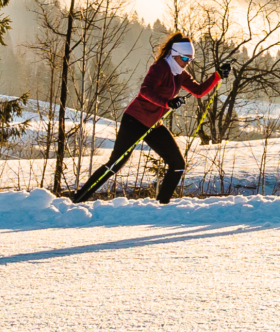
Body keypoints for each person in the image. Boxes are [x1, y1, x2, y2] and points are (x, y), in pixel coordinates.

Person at [72, 31, 230, 204]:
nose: (187, 64)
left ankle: (162, 205)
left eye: (190, 60)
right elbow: (145, 90)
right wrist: (168, 103)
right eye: (185, 59)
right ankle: (78, 200)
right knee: (114, 165)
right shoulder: (160, 68)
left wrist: (217, 76)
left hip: (154, 125)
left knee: (177, 165)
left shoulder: (180, 74)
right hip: (135, 120)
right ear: (174, 54)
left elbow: (199, 91)